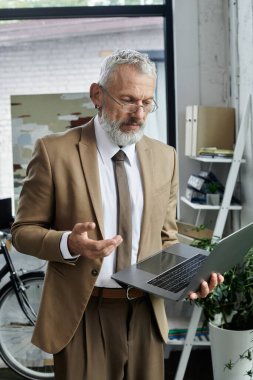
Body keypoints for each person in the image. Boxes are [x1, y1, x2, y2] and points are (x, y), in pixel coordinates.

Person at [11, 49, 223, 380]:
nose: (138, 113)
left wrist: (190, 278)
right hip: (83, 314)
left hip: (146, 313)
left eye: (146, 102)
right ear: (97, 94)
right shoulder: (54, 152)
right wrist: (70, 243)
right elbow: (23, 231)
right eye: (127, 100)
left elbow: (165, 238)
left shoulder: (164, 157)